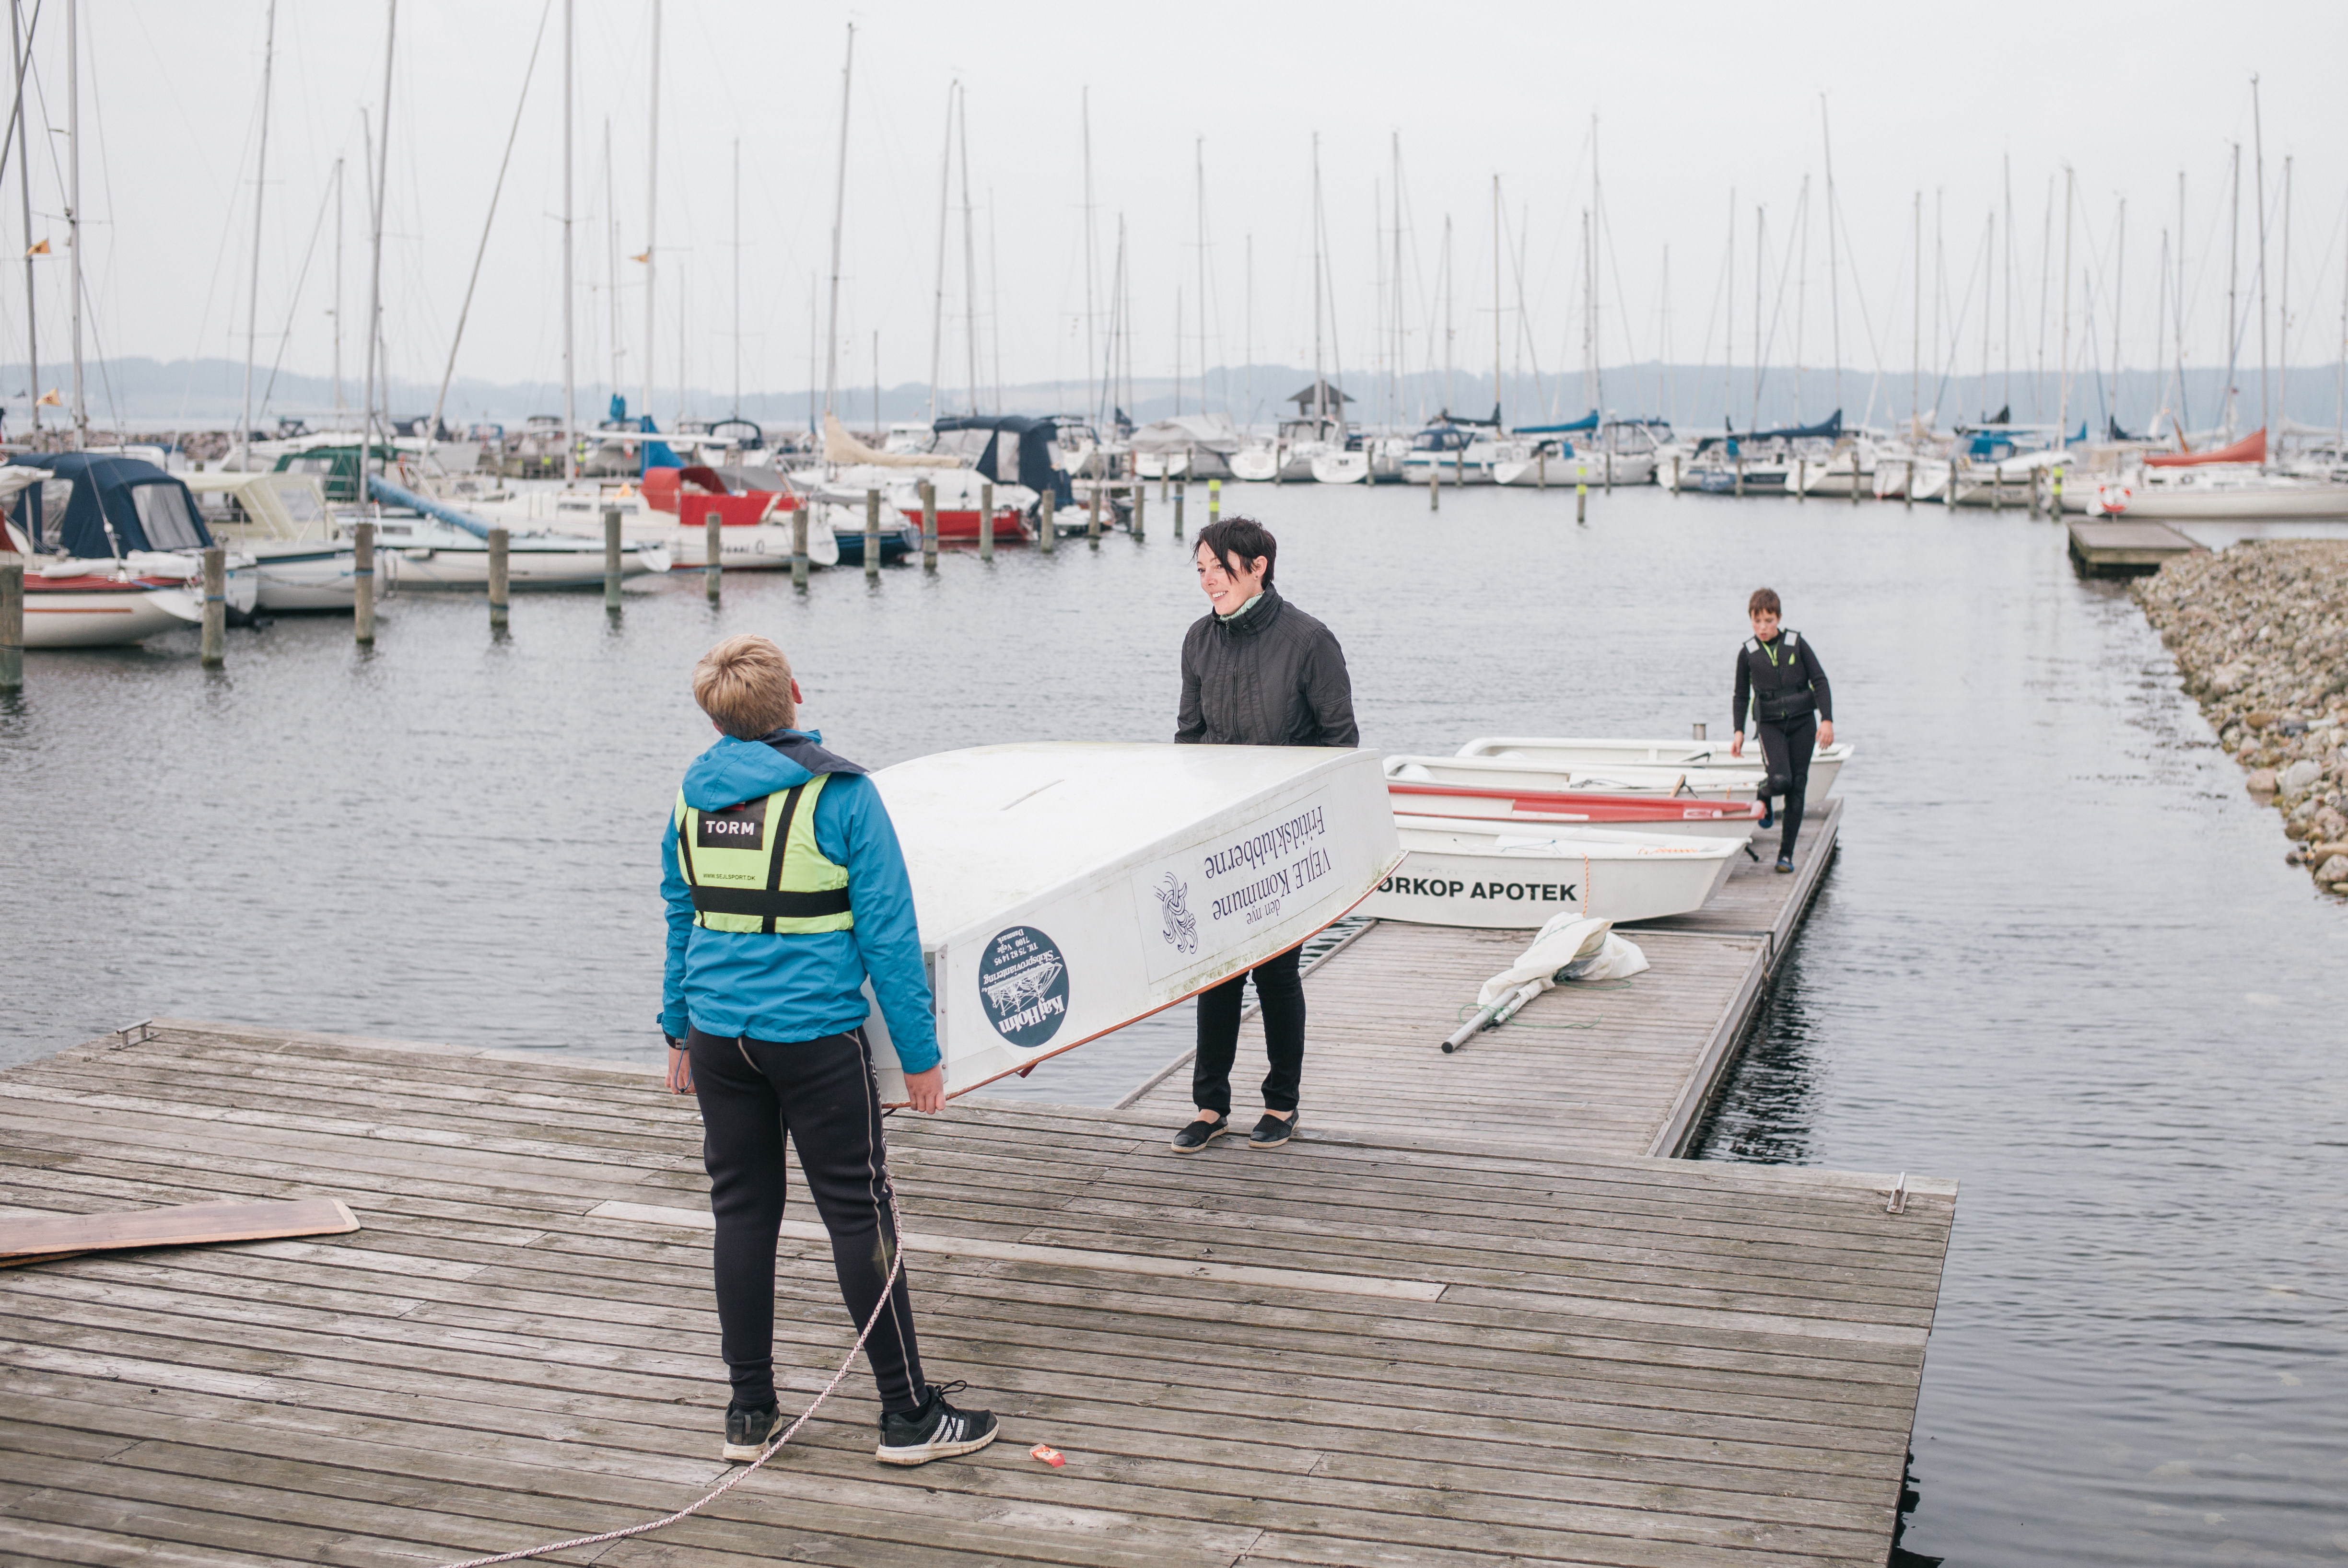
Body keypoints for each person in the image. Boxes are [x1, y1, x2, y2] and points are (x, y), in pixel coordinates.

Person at [659, 634, 997, 1467]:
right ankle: (908, 1415)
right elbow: (889, 937)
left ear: (714, 715)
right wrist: (920, 1057)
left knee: (741, 1213)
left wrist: (675, 1029)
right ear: (794, 695)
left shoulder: (690, 799)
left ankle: (749, 1413)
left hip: (718, 1040)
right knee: (856, 1212)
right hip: (811, 1040)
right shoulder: (841, 795)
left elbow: (682, 916)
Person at [1170, 517, 1358, 1154]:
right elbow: (1189, 738)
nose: (1207, 581)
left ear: (1256, 566)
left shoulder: (1309, 640)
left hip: (1285, 839)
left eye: (1217, 569)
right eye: (1199, 570)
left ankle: (1281, 1102)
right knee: (1217, 974)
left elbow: (1340, 742)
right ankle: (1209, 1104)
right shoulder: (1199, 639)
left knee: (1276, 974)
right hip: (1219, 836)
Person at [1729, 588, 1835, 873]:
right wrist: (1738, 730)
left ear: (1779, 618)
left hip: (1803, 722)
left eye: (1769, 620)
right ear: (1750, 620)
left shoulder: (1797, 644)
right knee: (1780, 780)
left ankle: (1785, 855)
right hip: (1771, 725)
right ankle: (1764, 793)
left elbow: (1820, 681)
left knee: (1798, 785)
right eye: (1757, 621)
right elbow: (1741, 696)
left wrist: (1827, 719)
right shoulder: (1747, 653)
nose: (1763, 628)